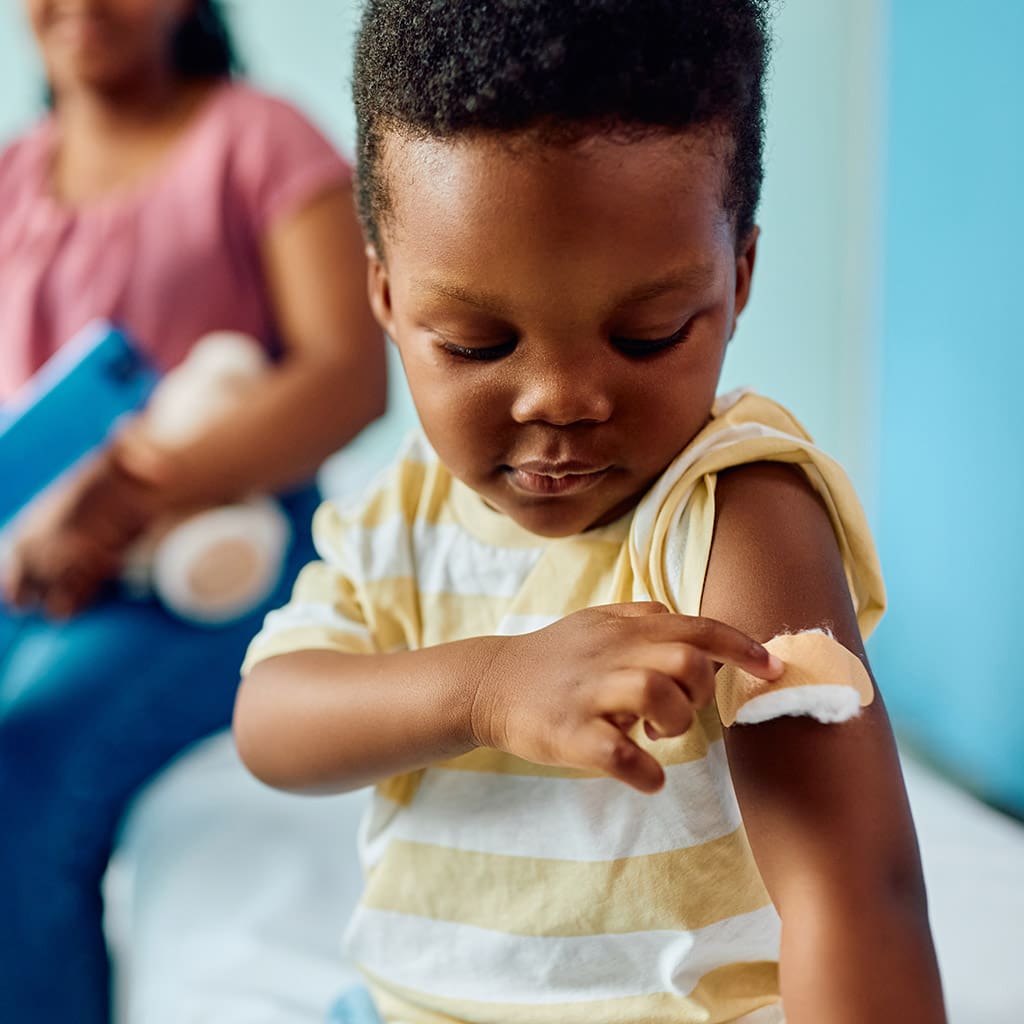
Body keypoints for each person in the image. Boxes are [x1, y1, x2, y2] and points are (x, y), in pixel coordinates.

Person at [235, 1, 947, 1022]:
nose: (561, 400)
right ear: (385, 295)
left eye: (647, 334)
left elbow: (853, 890)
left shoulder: (734, 512)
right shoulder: (403, 511)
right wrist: (488, 688)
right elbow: (270, 721)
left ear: (738, 277)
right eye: (477, 343)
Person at [0, 1, 385, 1022]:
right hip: (44, 569)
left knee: (19, 762)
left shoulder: (260, 139)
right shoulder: (13, 179)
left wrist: (130, 495)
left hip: (225, 569)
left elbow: (349, 378)